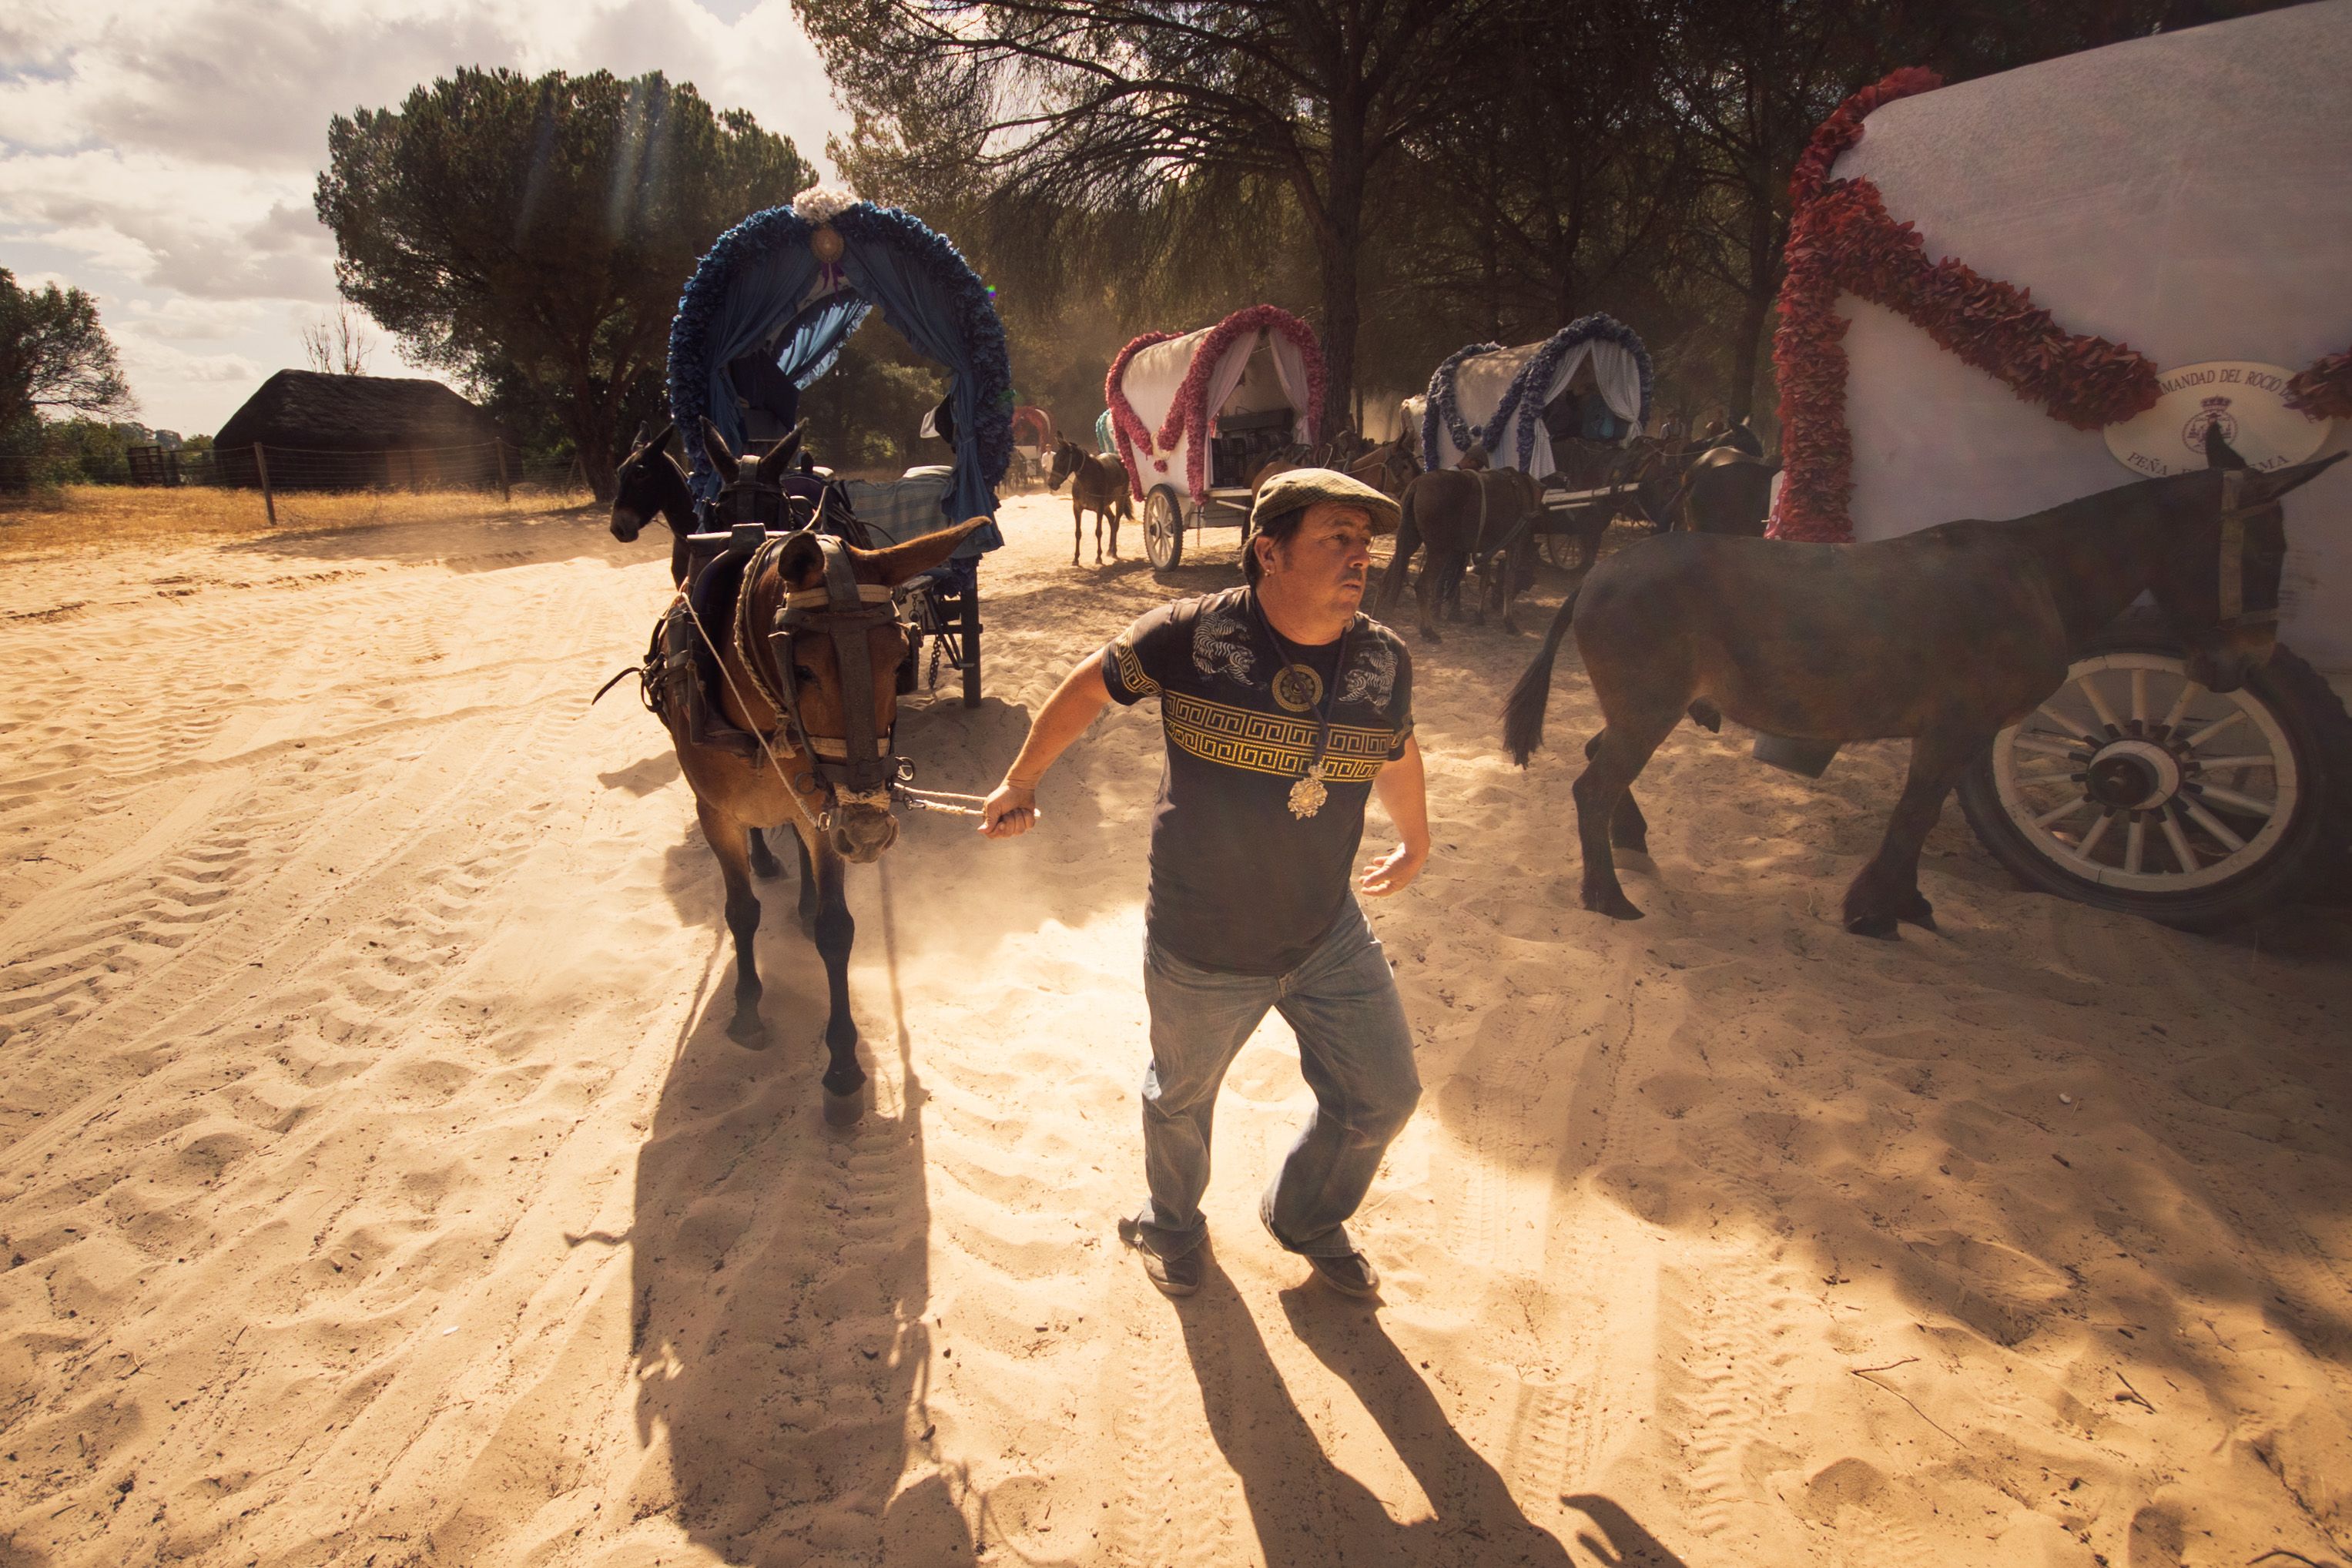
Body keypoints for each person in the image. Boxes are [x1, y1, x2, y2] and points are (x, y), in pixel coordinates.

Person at [980, 470, 1431, 1300]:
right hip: (1201, 941)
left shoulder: (1382, 657)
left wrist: (1417, 836)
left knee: (1384, 1094)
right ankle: (1172, 1222)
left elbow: (1396, 750)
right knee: (1180, 1098)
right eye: (1337, 537)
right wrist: (1022, 779)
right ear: (1269, 550)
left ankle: (1304, 1215)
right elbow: (1089, 684)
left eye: (1366, 543)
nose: (1360, 557)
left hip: (1326, 932)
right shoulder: (1189, 635)